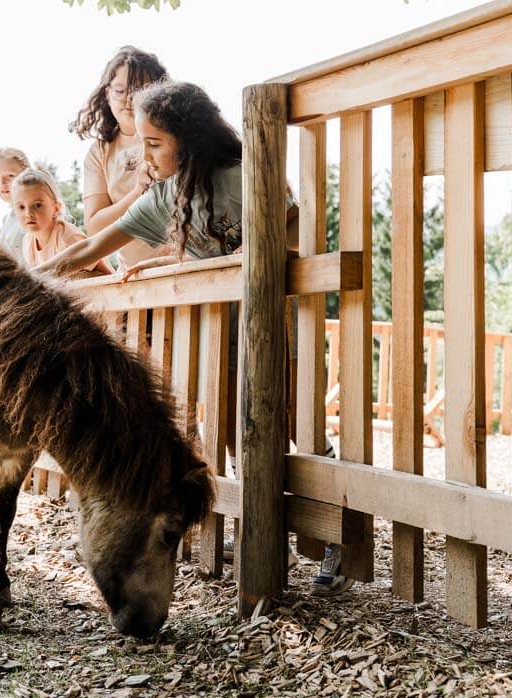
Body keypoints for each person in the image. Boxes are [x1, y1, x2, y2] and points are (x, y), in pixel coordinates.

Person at [40, 82, 351, 597]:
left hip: (277, 328)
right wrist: (35, 276)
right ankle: (260, 531)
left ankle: (331, 539)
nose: (145, 154)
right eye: (142, 143)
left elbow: (287, 236)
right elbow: (94, 245)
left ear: (189, 137)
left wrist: (212, 258)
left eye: (155, 143)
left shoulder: (245, 175)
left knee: (301, 427)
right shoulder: (166, 195)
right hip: (220, 336)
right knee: (234, 434)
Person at [71, 47, 172, 272]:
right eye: (120, 90)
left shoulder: (174, 135)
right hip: (132, 276)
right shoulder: (99, 152)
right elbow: (95, 226)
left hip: (180, 265)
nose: (129, 99)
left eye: (140, 89)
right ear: (107, 93)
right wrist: (137, 193)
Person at [11, 168, 110, 275]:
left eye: (37, 205)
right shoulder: (27, 242)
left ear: (56, 208)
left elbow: (106, 273)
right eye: (21, 207)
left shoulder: (67, 238)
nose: (28, 213)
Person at [0, 147, 30, 262]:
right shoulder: (8, 219)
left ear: (27, 174)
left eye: (10, 176)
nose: (2, 183)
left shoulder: (37, 215)